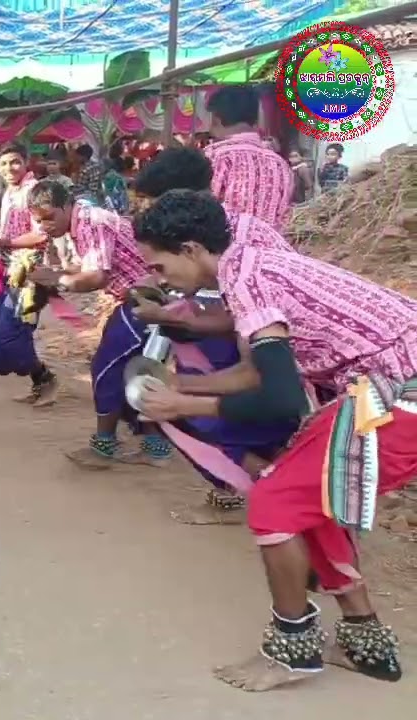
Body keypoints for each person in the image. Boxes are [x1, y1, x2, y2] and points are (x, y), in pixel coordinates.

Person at [132, 189, 415, 692]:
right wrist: (182, 385)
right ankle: (364, 642)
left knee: (275, 499)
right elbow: (256, 373)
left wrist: (185, 406)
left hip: (400, 397)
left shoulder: (247, 278)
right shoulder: (251, 265)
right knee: (307, 496)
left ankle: (293, 652)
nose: (159, 279)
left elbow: (281, 400)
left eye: (160, 266)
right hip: (383, 391)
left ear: (192, 249)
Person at [127, 147, 300, 525]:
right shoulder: (232, 258)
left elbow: (275, 389)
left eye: (159, 209)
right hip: (260, 348)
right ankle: (270, 493)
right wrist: (179, 385)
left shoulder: (241, 267)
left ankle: (279, 496)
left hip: (384, 376)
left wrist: (184, 399)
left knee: (249, 418)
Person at [24, 180, 173, 468]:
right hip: (141, 299)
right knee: (135, 370)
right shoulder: (83, 222)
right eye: (39, 220)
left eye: (49, 217)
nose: (44, 226)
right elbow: (95, 265)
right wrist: (56, 272)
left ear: (67, 205)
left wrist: (60, 282)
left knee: (107, 367)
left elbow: (97, 276)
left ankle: (105, 445)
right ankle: (155, 445)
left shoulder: (90, 222)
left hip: (146, 301)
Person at [0, 145, 58, 406]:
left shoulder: (34, 191)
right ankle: (39, 377)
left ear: (26, 163)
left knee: (11, 335)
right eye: (3, 164)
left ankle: (44, 379)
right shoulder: (10, 191)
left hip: (30, 275)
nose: (9, 168)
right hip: (9, 272)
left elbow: (42, 234)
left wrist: (2, 241)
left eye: (15, 162)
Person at [202, 86, 294, 228]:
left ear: (215, 119)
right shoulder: (280, 164)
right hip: (272, 247)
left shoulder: (213, 157)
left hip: (225, 248)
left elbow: (200, 213)